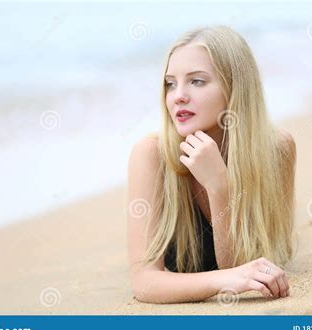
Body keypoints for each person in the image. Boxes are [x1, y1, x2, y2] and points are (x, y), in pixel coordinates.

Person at [127, 25, 297, 304]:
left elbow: (254, 263)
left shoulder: (278, 149)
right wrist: (224, 279)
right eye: (171, 83)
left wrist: (219, 185)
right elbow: (144, 283)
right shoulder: (151, 154)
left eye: (197, 81)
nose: (178, 95)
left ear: (234, 87)